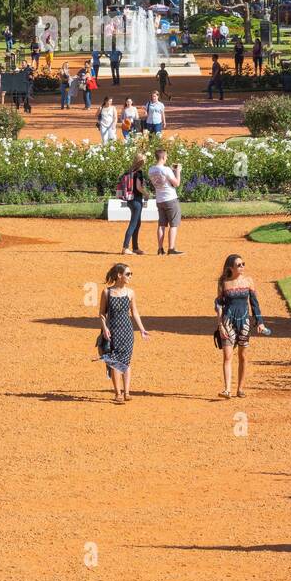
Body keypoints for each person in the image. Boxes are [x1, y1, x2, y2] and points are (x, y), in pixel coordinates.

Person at [214, 254, 271, 399]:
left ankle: (240, 388)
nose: (242, 267)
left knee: (243, 356)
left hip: (244, 322)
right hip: (227, 322)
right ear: (231, 268)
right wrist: (220, 325)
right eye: (239, 265)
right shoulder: (223, 283)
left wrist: (260, 322)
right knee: (227, 356)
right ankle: (227, 390)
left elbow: (254, 303)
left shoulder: (248, 281)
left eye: (243, 264)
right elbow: (219, 304)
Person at [97, 263, 149, 404]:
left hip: (127, 331)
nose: (130, 276)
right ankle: (117, 393)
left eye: (131, 274)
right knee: (115, 362)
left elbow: (135, 312)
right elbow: (101, 313)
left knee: (125, 361)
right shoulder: (107, 292)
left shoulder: (130, 293)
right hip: (112, 331)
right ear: (119, 275)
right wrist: (105, 328)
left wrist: (142, 329)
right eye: (128, 274)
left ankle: (127, 392)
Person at [148, 146, 183, 255]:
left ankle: (160, 249)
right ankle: (171, 248)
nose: (167, 158)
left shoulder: (151, 170)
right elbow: (176, 183)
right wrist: (178, 171)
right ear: (162, 157)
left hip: (159, 199)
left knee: (161, 224)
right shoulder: (166, 169)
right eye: (166, 157)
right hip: (170, 198)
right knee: (173, 224)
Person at [120, 153, 147, 257]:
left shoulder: (129, 171)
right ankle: (125, 247)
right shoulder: (139, 172)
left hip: (130, 199)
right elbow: (139, 187)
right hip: (136, 199)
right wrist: (146, 194)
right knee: (133, 224)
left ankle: (135, 247)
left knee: (137, 223)